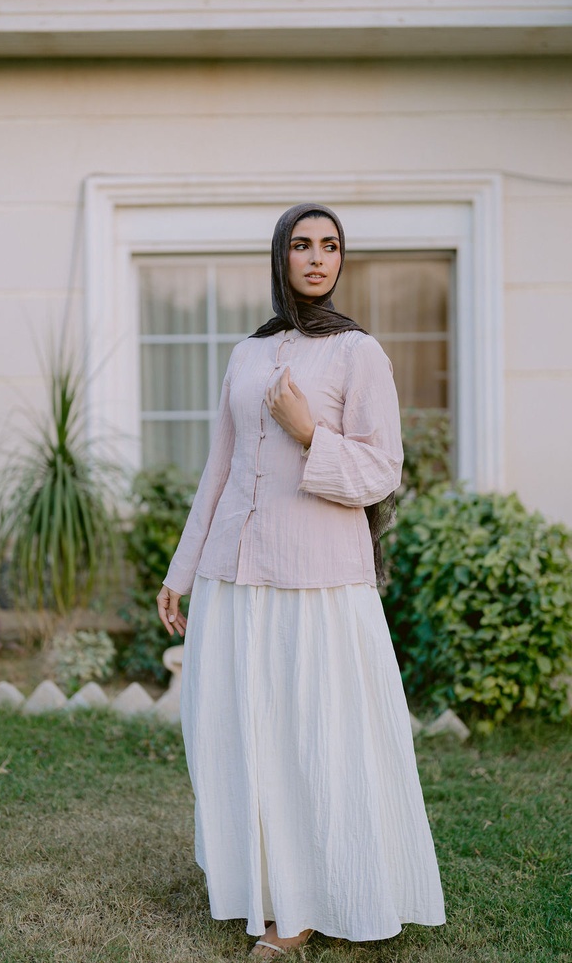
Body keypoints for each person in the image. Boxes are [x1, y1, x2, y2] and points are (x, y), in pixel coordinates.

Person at [157, 203, 446, 958]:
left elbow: (382, 471)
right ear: (280, 256)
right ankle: (263, 882)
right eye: (302, 244)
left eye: (330, 245)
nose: (317, 257)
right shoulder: (246, 353)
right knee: (242, 737)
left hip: (318, 584)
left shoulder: (359, 353)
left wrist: (308, 431)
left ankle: (311, 899)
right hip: (235, 577)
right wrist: (181, 572)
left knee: (313, 739)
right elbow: (218, 469)